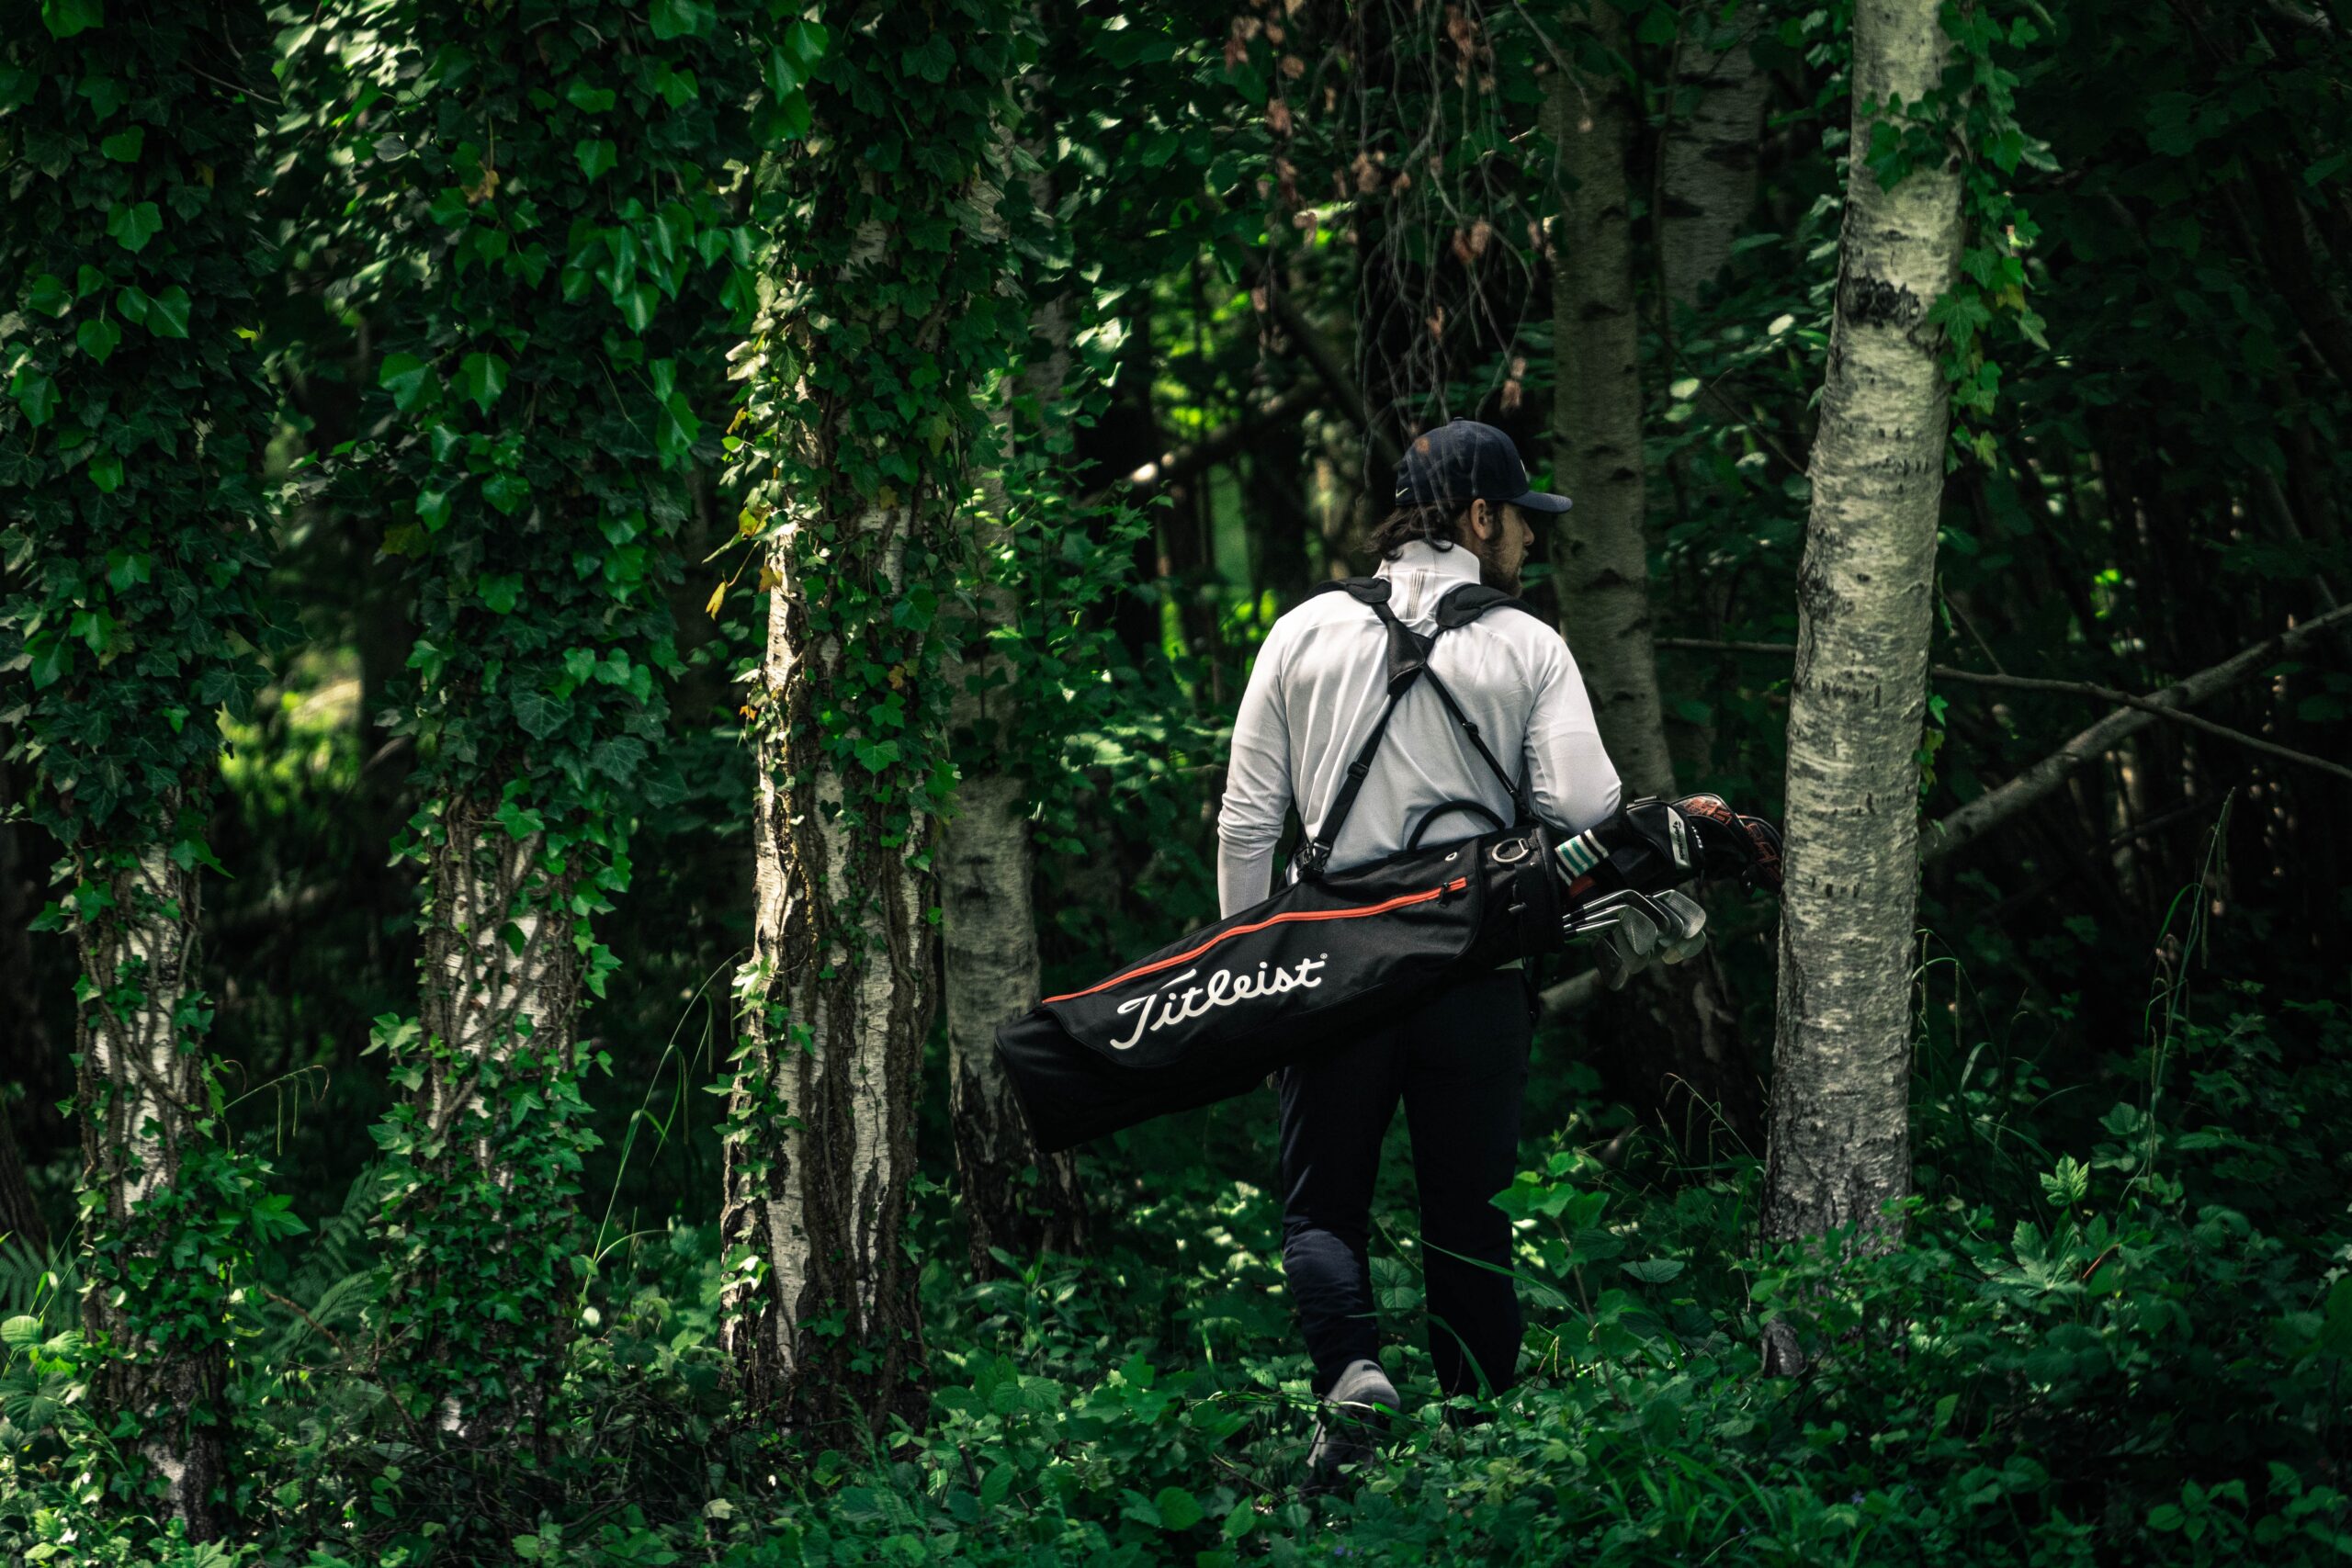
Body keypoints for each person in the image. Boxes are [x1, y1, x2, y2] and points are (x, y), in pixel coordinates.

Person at [1215, 419, 1623, 1488]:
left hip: (1334, 966)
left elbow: (1244, 826)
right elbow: (1586, 805)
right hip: (1471, 970)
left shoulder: (1302, 630)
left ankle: (1352, 1379)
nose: (1530, 546)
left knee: (1320, 1205)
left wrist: (1252, 982)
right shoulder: (1527, 642)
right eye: (1521, 523)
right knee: (1468, 1209)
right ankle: (1484, 1451)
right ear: (1476, 517)